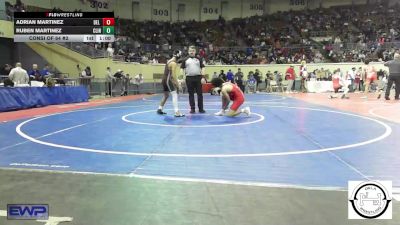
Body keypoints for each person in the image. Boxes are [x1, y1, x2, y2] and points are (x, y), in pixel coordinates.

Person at [158, 50, 185, 117]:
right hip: (168, 80)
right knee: (174, 94)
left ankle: (160, 109)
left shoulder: (169, 61)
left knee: (166, 95)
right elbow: (173, 76)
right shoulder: (174, 63)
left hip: (164, 79)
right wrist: (178, 85)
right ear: (178, 56)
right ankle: (176, 112)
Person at [181, 46, 206, 114]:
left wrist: (203, 77)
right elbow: (182, 69)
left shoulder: (199, 59)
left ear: (195, 51)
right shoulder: (185, 59)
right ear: (188, 51)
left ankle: (201, 109)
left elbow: (203, 68)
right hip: (189, 78)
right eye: (190, 51)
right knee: (191, 94)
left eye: (193, 50)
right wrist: (182, 78)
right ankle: (192, 109)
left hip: (198, 78)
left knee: (200, 94)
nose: (191, 52)